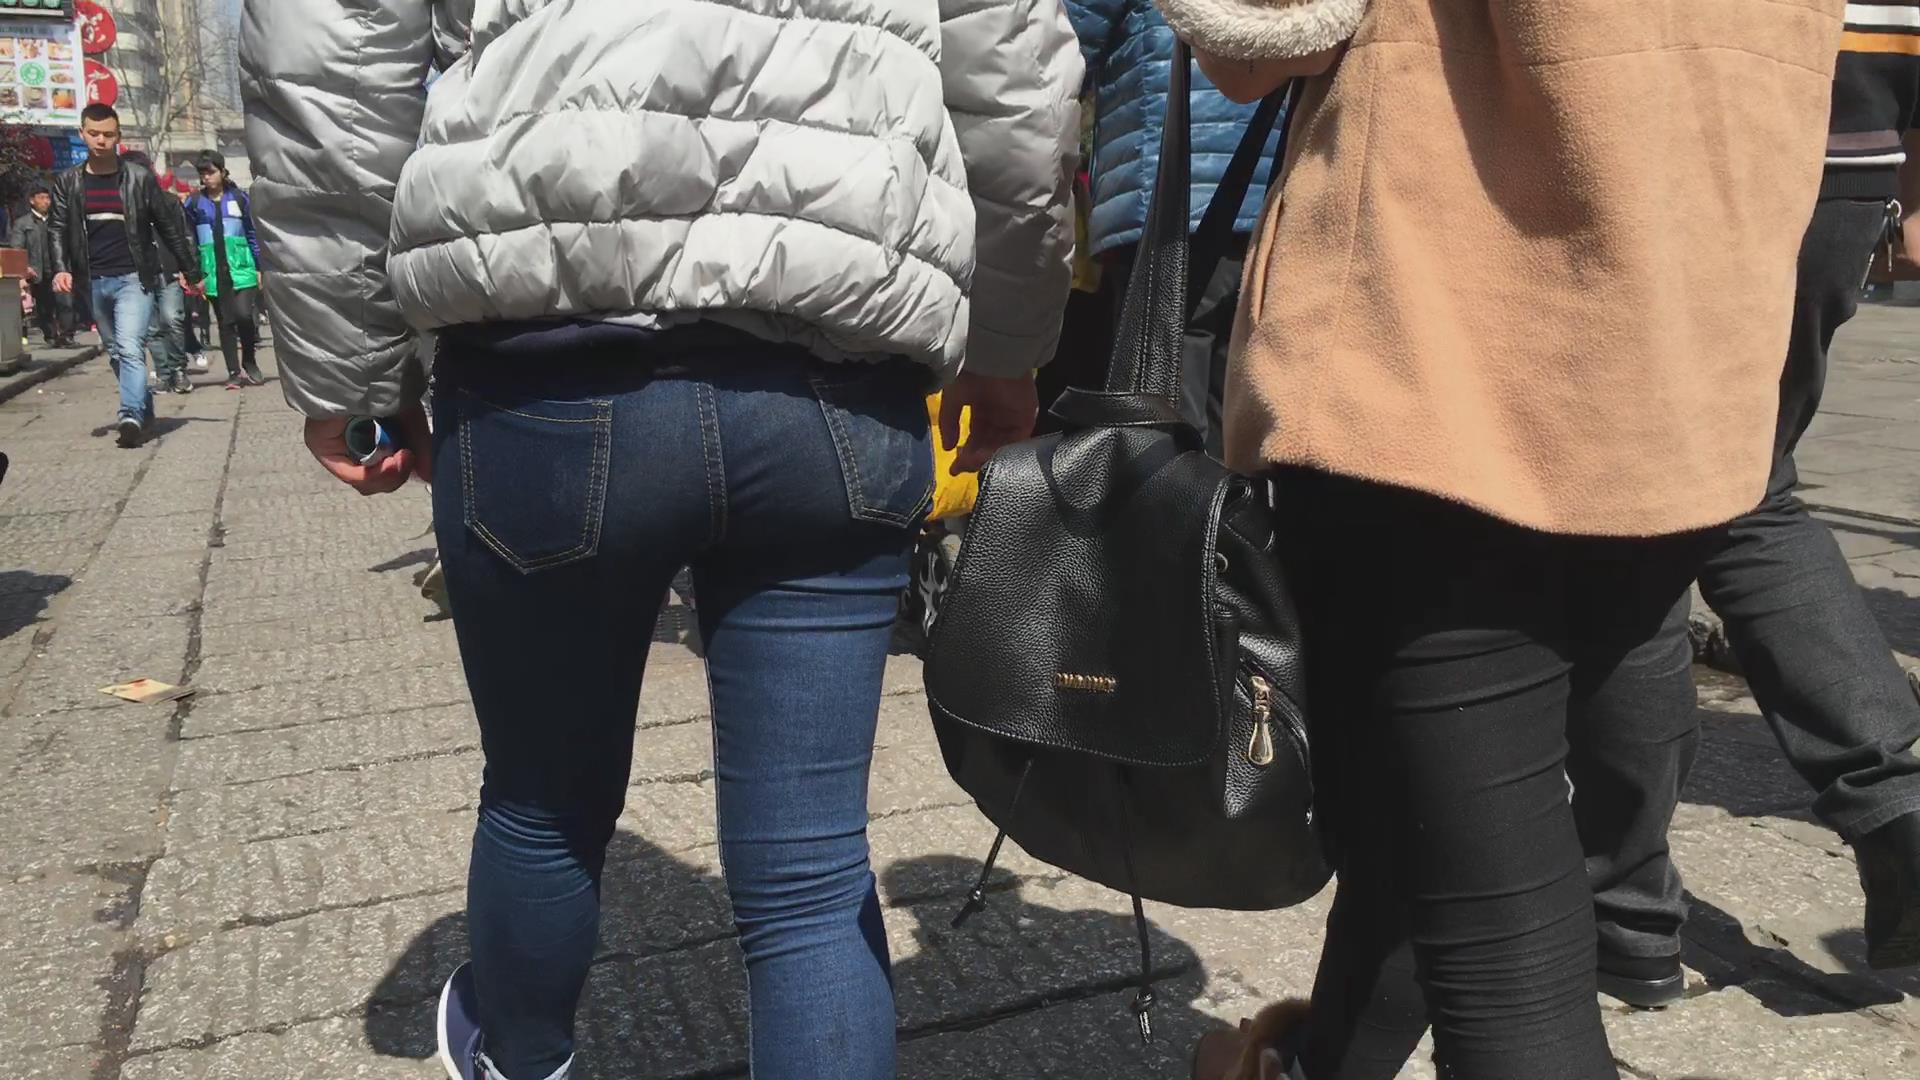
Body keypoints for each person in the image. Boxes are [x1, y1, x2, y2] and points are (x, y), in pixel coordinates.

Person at [239, 3, 1081, 1080]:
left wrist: (351, 365)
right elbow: (1011, 66)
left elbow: (332, 53)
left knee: (541, 804)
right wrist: (1006, 343)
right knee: (813, 873)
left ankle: (519, 1056)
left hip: (551, 352)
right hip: (836, 368)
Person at [1162, 2, 1844, 1079]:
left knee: (1498, 930)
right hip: (1686, 328)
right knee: (1432, 817)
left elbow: (1257, 35)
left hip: (1452, 343)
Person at [1573, 13, 1920, 1013]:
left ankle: (1626, 916)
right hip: (1857, 139)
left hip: (1682, 119)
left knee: (1634, 507)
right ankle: (1900, 807)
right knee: (1748, 488)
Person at [1065, 0, 1281, 455]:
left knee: (1163, 418)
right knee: (1238, 412)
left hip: (1165, 190)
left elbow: (1062, 46)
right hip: (1269, 187)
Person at [49, 104, 198, 448]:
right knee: (116, 351)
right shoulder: (68, 181)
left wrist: (191, 270)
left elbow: (167, 226)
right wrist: (61, 268)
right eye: (94, 134)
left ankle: (129, 415)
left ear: (118, 137)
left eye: (108, 134)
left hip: (134, 277)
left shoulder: (138, 178)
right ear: (82, 134)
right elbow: (57, 227)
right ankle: (143, 409)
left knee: (130, 346)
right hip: (92, 279)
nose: (101, 140)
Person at [186, 149, 264, 389]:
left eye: (210, 172)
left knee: (244, 315)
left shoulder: (240, 198)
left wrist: (260, 266)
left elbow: (252, 233)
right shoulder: (194, 203)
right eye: (202, 173)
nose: (206, 177)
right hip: (212, 271)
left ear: (222, 171)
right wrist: (192, 272)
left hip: (242, 267)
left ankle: (249, 359)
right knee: (225, 321)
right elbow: (189, 239)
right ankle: (233, 372)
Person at [123, 151, 196, 395]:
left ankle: (178, 369)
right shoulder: (123, 206)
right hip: (139, 274)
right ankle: (164, 374)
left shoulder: (169, 201)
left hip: (169, 270)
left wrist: (189, 269)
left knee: (172, 319)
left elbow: (185, 236)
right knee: (151, 328)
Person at [9, 181, 74, 349]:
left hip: (58, 268)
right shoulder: (23, 223)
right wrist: (25, 267)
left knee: (65, 303)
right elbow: (17, 247)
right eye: (41, 198)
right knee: (45, 307)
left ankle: (67, 335)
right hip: (37, 271)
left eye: (47, 198)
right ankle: (51, 335)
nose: (46, 201)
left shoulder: (56, 221)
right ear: (32, 200)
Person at [173, 178, 210, 372]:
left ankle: (194, 348)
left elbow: (187, 238)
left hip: (176, 269)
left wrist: (189, 270)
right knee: (158, 326)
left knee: (178, 317)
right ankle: (168, 367)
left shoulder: (172, 205)